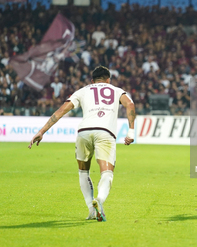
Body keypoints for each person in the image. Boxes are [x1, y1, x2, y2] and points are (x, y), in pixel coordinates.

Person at [28, 66, 136, 221]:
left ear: (92, 81)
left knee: (83, 172)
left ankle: (91, 210)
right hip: (105, 132)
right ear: (108, 80)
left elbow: (61, 111)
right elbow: (130, 105)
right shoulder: (116, 90)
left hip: (84, 132)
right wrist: (131, 132)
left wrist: (42, 131)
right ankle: (99, 200)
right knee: (106, 172)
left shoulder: (83, 90)